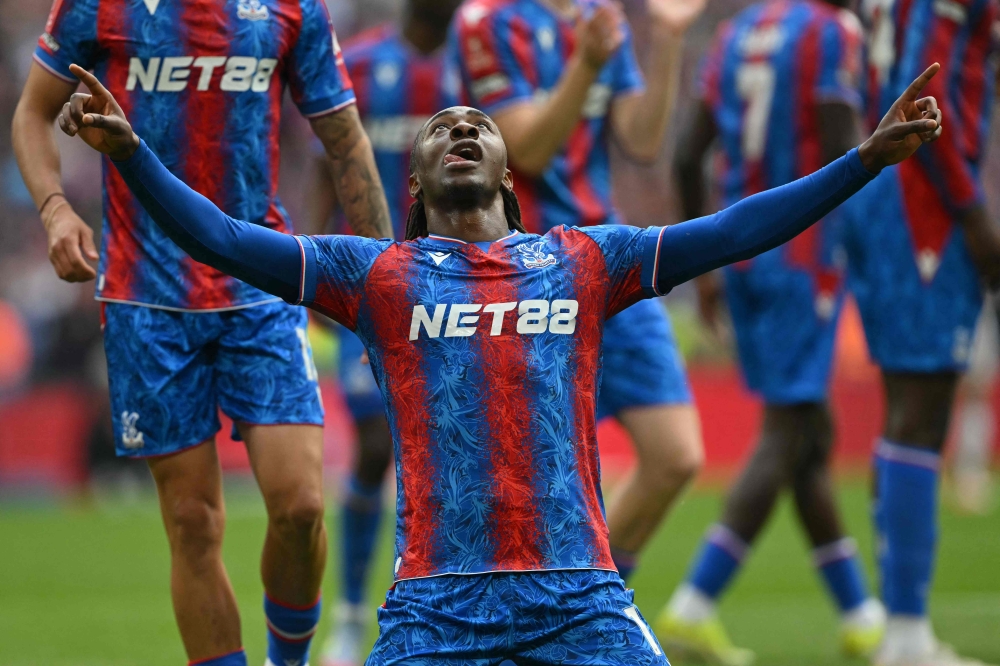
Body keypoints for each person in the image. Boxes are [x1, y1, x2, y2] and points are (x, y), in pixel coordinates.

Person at [58, 60, 939, 665]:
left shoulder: (587, 259)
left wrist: (864, 160)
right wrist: (130, 151)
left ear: (511, 173)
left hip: (581, 595)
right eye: (442, 129)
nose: (460, 130)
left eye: (477, 124)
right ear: (417, 183)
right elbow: (216, 235)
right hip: (435, 605)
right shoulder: (372, 276)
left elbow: (734, 231)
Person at [11, 1, 391, 663]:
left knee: (301, 507)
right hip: (146, 297)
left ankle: (287, 659)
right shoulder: (101, 6)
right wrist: (55, 210)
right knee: (192, 522)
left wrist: (389, 280)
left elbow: (344, 138)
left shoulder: (292, 9)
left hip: (260, 283)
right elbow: (33, 112)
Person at [657, 1, 885, 662]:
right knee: (788, 431)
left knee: (808, 435)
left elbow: (687, 155)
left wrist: (704, 270)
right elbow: (848, 150)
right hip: (805, 255)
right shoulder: (830, 31)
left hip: (740, 253)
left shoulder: (733, 35)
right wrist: (866, 252)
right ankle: (693, 604)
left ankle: (860, 616)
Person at [450, 0, 707, 583]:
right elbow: (526, 151)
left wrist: (666, 40)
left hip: (603, 255)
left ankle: (585, 601)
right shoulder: (487, 21)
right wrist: (587, 63)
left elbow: (640, 139)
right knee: (534, 482)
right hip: (523, 268)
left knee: (674, 457)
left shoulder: (596, 12)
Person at [299, 2, 464, 664]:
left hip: (462, 289)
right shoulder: (362, 65)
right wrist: (313, 274)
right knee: (373, 446)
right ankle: (346, 617)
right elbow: (322, 168)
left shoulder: (475, 65)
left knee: (457, 447)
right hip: (373, 289)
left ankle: (450, 604)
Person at [846, 0, 1000, 662]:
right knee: (921, 408)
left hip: (889, 198)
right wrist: (971, 211)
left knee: (908, 411)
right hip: (925, 204)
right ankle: (906, 635)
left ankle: (902, 623)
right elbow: (922, 89)